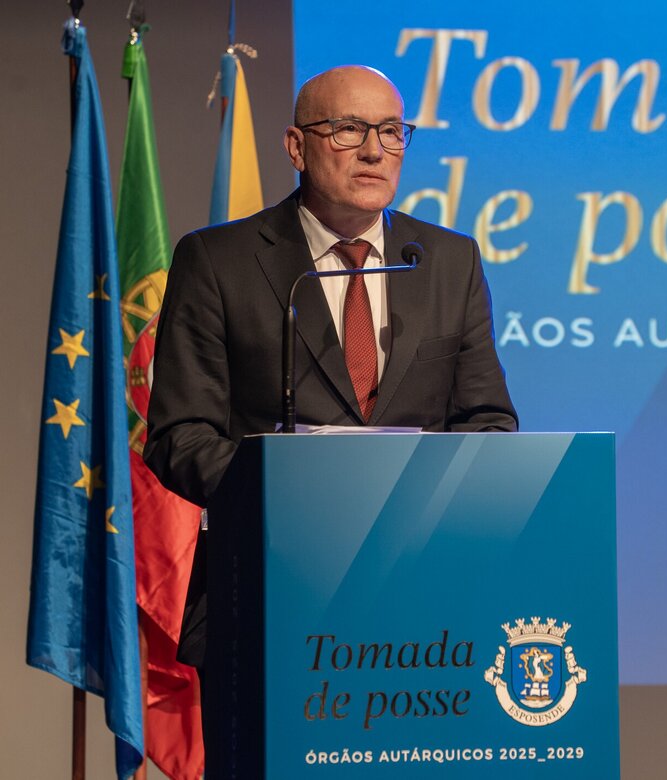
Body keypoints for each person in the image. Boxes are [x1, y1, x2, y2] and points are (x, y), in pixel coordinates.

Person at [144, 65, 517, 673]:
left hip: (421, 603)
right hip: (269, 592)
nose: (374, 151)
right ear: (297, 147)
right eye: (348, 129)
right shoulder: (218, 260)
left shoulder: (449, 260)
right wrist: (296, 494)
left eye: (391, 131)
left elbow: (489, 423)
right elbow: (179, 435)